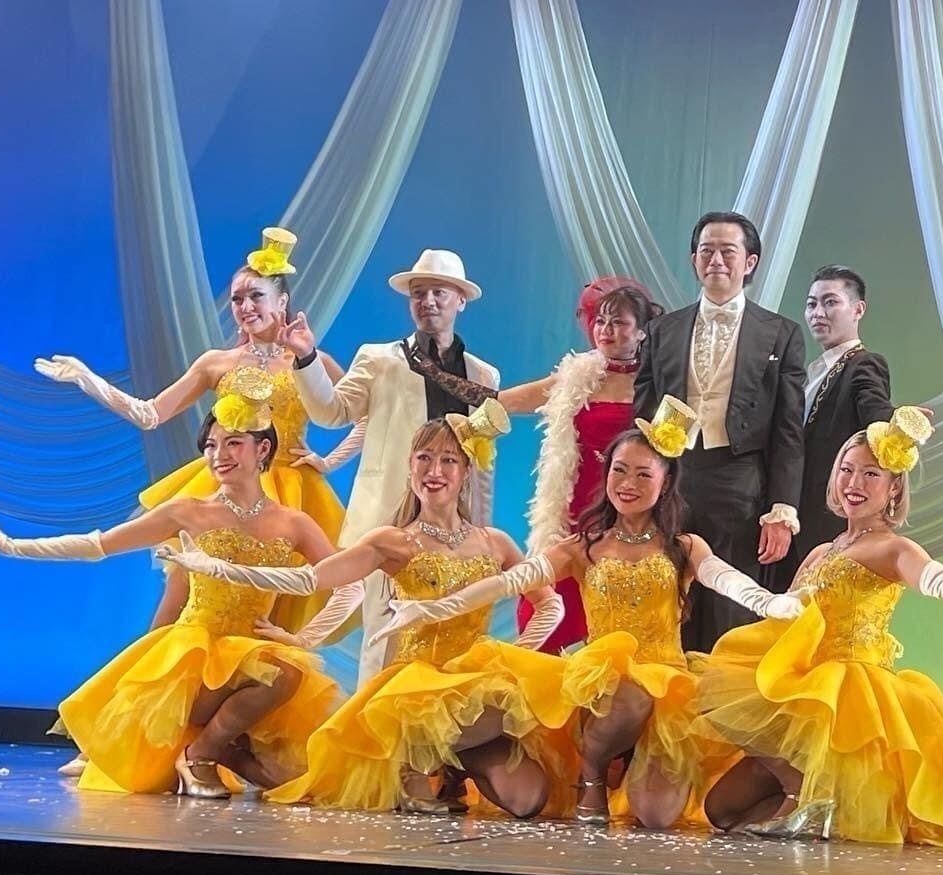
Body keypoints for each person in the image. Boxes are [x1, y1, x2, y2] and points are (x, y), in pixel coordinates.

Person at [369, 396, 804, 830]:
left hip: (668, 684)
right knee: (628, 695)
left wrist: (769, 602)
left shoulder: (684, 546)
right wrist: (436, 606)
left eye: (643, 474)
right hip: (602, 687)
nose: (628, 483)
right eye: (619, 470)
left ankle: (636, 766)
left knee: (657, 815)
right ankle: (591, 773)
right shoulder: (583, 546)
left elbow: (724, 578)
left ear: (666, 481)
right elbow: (511, 581)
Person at [160, 406, 572, 818]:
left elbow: (549, 603)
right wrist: (220, 570)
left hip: (474, 692)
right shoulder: (393, 542)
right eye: (424, 458)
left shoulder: (495, 543)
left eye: (448, 460)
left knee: (529, 799)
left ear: (466, 471)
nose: (435, 471)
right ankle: (417, 760)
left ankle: (446, 762)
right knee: (516, 789)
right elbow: (311, 580)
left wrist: (513, 655)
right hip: (416, 693)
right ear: (409, 466)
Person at [697, 408, 943, 844]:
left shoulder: (894, 549)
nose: (854, 484)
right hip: (804, 697)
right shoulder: (821, 552)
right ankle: (814, 799)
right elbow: (786, 618)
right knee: (721, 810)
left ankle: (811, 796)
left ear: (894, 487)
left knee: (749, 808)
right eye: (847, 470)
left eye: (870, 474)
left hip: (850, 697)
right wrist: (747, 590)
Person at [0, 388, 358, 796]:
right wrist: (14, 547)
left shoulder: (294, 523)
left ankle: (218, 749)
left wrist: (302, 639)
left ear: (262, 448)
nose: (219, 455)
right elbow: (100, 544)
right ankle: (201, 754)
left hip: (253, 662)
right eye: (210, 445)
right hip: (191, 663)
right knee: (282, 675)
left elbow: (350, 582)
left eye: (233, 443)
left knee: (297, 785)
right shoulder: (187, 511)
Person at [33, 226, 363, 640]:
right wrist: (88, 380)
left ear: (282, 301)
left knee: (269, 609)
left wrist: (329, 460)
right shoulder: (216, 363)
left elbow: (362, 415)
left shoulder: (314, 360)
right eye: (237, 299)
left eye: (256, 296)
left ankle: (255, 675)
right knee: (183, 594)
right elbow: (150, 414)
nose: (245, 307)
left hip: (292, 491)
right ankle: (153, 674)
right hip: (225, 482)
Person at [405, 277, 665, 653]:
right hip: (574, 509)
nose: (606, 330)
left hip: (632, 511)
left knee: (621, 621)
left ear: (641, 331)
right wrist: (436, 373)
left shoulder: (659, 382)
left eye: (619, 322)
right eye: (600, 321)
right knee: (547, 613)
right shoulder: (575, 377)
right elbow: (500, 400)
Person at [279, 248, 500, 683]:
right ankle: (371, 721)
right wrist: (305, 358)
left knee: (452, 639)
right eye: (419, 293)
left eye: (438, 292)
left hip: (456, 527)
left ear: (460, 300)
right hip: (390, 518)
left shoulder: (483, 376)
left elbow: (483, 462)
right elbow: (332, 411)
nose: (428, 301)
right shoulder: (380, 358)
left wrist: (482, 530)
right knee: (383, 638)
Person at [635, 212, 805, 651]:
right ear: (693, 259)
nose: (716, 260)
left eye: (728, 251)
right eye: (706, 250)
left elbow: (788, 430)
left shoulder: (781, 333)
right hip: (670, 477)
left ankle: (723, 690)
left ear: (750, 262)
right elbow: (642, 409)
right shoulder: (661, 330)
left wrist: (782, 510)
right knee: (664, 596)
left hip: (739, 480)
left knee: (730, 603)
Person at [771, 265, 893, 592]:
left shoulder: (864, 364)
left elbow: (875, 410)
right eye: (811, 304)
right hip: (794, 512)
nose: (818, 313)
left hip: (828, 514)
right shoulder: (811, 371)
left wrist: (895, 425)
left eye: (830, 302)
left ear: (858, 309)